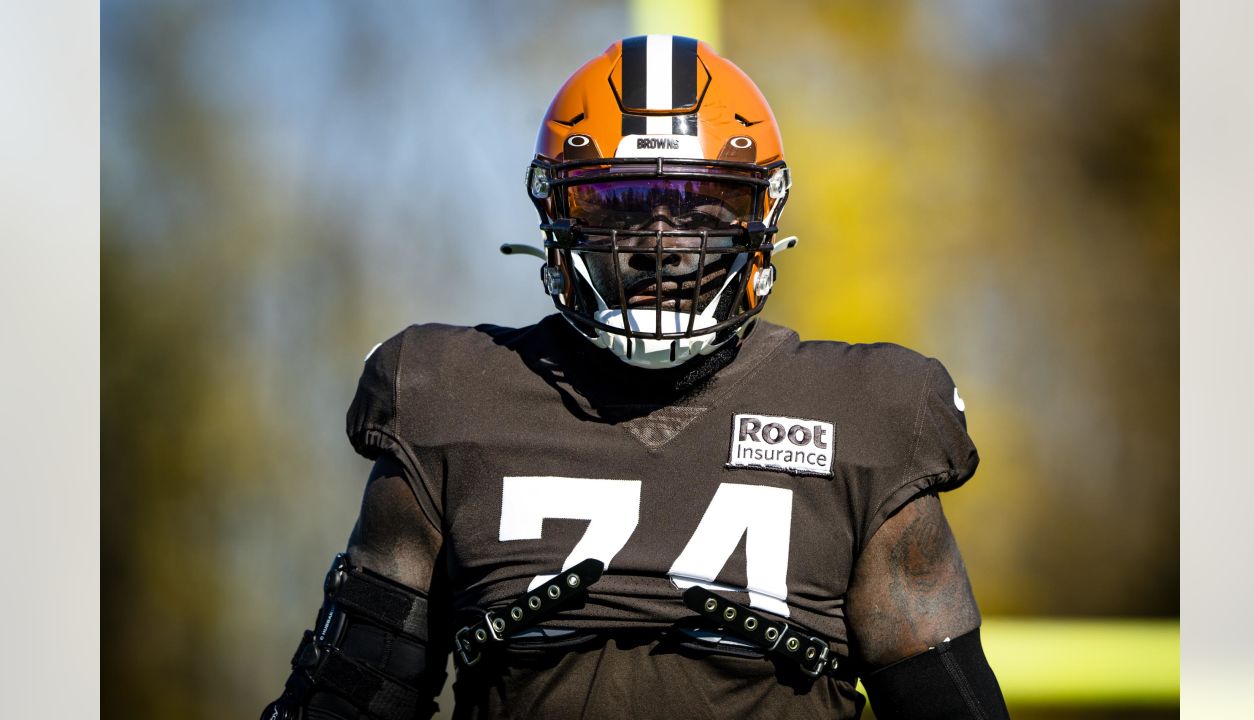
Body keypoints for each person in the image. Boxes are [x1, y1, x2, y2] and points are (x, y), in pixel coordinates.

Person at [263, 35, 1009, 720]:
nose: (661, 245)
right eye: (620, 204)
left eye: (698, 207)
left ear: (762, 214)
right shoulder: (451, 398)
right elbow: (347, 701)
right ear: (558, 210)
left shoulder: (867, 417)